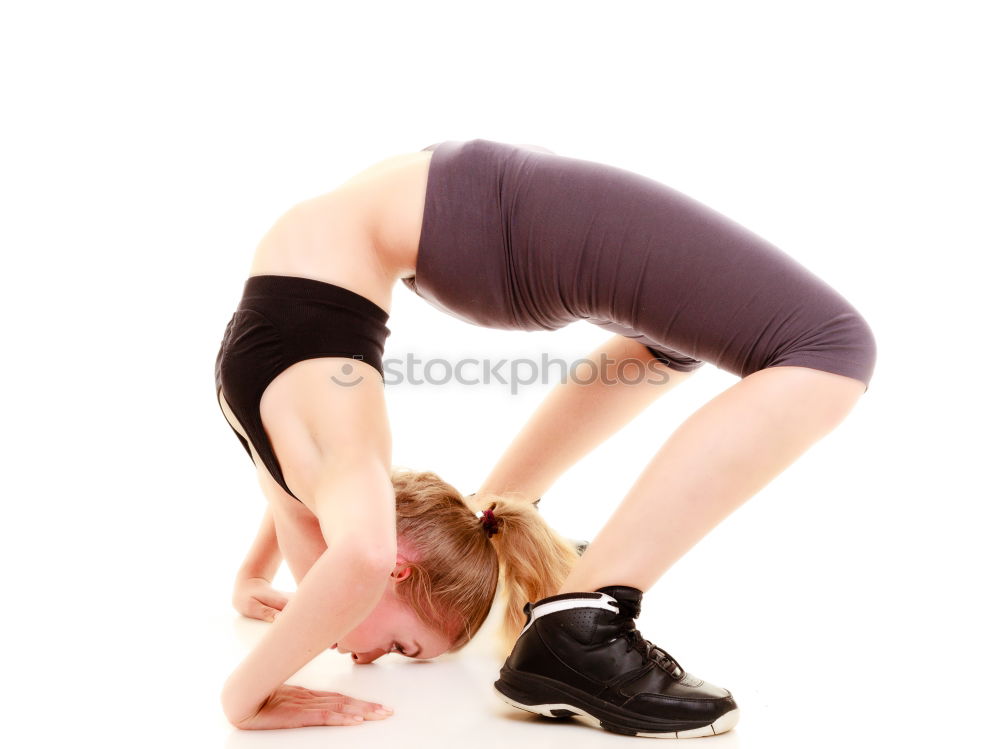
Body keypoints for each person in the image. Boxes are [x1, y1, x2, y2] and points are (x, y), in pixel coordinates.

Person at [215, 138, 877, 736]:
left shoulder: (333, 476)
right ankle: (539, 557)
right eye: (399, 649)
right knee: (712, 343)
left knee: (830, 347)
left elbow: (356, 558)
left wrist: (246, 690)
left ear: (397, 561)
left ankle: (577, 618)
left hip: (474, 215)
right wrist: (256, 578)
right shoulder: (313, 460)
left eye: (399, 648)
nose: (363, 656)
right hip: (455, 215)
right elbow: (339, 542)